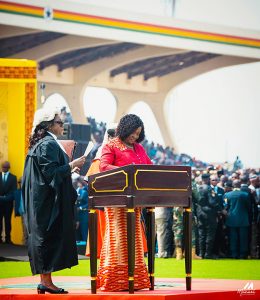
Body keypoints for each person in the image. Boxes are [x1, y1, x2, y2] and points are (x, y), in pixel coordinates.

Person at [22, 106, 85, 294]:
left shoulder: (41, 143)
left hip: (40, 200)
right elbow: (50, 174)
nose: (62, 125)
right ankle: (46, 282)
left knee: (44, 238)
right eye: (59, 122)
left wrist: (68, 170)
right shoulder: (48, 144)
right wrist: (72, 164)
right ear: (48, 125)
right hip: (45, 202)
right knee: (47, 238)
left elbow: (49, 172)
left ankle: (45, 281)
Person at [97, 114, 151, 291]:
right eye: (133, 133)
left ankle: (135, 280)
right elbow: (104, 167)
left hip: (135, 200)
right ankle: (113, 280)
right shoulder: (110, 146)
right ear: (125, 128)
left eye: (138, 134)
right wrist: (128, 171)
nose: (135, 137)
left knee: (135, 239)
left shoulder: (139, 148)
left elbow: (149, 166)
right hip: (116, 200)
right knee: (118, 237)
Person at [0, 161, 17, 244]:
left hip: (8, 204)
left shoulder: (13, 178)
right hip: (0, 204)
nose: (4, 168)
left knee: (8, 221)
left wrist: (4, 198)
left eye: (6, 167)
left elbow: (13, 192)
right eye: (3, 167)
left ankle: (8, 239)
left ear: (9, 168)